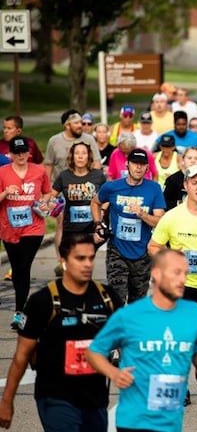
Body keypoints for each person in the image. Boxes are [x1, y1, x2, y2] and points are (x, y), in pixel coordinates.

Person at [86, 249, 197, 432]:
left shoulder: (193, 313)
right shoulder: (130, 315)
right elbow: (94, 351)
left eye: (185, 274)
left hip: (171, 421)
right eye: (176, 273)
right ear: (156, 273)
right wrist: (113, 373)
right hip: (134, 420)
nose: (182, 280)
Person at [0, 233, 122, 431]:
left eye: (91, 258)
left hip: (95, 398)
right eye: (80, 258)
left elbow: (127, 341)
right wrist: (7, 401)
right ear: (63, 260)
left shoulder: (107, 297)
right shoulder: (43, 301)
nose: (87, 264)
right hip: (55, 397)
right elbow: (22, 356)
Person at [148, 164, 197, 407]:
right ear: (185, 185)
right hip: (182, 288)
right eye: (194, 183)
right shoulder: (172, 216)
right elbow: (153, 247)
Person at [91, 148, 166, 304]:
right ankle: (118, 328)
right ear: (127, 165)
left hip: (142, 253)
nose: (138, 168)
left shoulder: (154, 189)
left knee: (137, 303)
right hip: (117, 249)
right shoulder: (112, 187)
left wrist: (143, 214)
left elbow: (160, 221)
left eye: (142, 164)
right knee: (116, 299)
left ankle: (132, 328)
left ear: (147, 168)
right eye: (135, 163)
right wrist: (98, 224)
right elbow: (95, 202)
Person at [0, 138, 52, 328]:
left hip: (33, 227)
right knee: (17, 269)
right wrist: (6, 193)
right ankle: (22, 307)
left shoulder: (39, 171)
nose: (21, 156)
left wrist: (45, 202)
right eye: (17, 152)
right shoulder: (2, 172)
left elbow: (47, 192)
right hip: (9, 227)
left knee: (23, 266)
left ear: (28, 153)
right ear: (11, 154)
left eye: (24, 152)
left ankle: (20, 312)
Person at [50, 142, 106, 240]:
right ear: (72, 156)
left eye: (84, 153)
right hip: (71, 228)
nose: (80, 156)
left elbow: (108, 197)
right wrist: (53, 204)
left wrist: (102, 210)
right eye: (77, 153)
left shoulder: (98, 175)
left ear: (89, 156)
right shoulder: (64, 176)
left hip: (92, 228)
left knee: (87, 255)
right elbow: (52, 195)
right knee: (70, 255)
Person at [163, 146, 197, 211]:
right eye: (189, 158)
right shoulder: (172, 180)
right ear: (183, 160)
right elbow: (164, 203)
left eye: (196, 158)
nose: (193, 161)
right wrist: (181, 203)